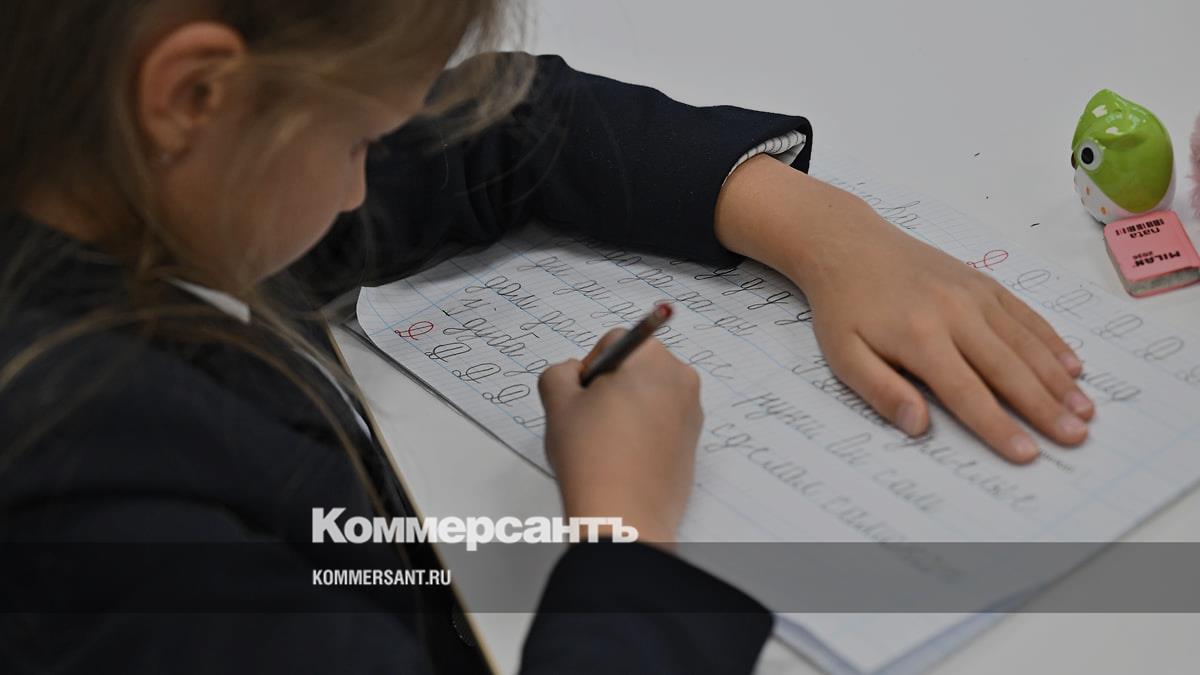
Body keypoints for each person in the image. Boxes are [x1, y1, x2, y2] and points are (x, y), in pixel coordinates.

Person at [0, 1, 1097, 673]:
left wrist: (828, 232)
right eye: (358, 140)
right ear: (193, 93)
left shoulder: (98, 157)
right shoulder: (86, 515)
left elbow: (505, 124)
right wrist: (623, 535)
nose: (358, 191)